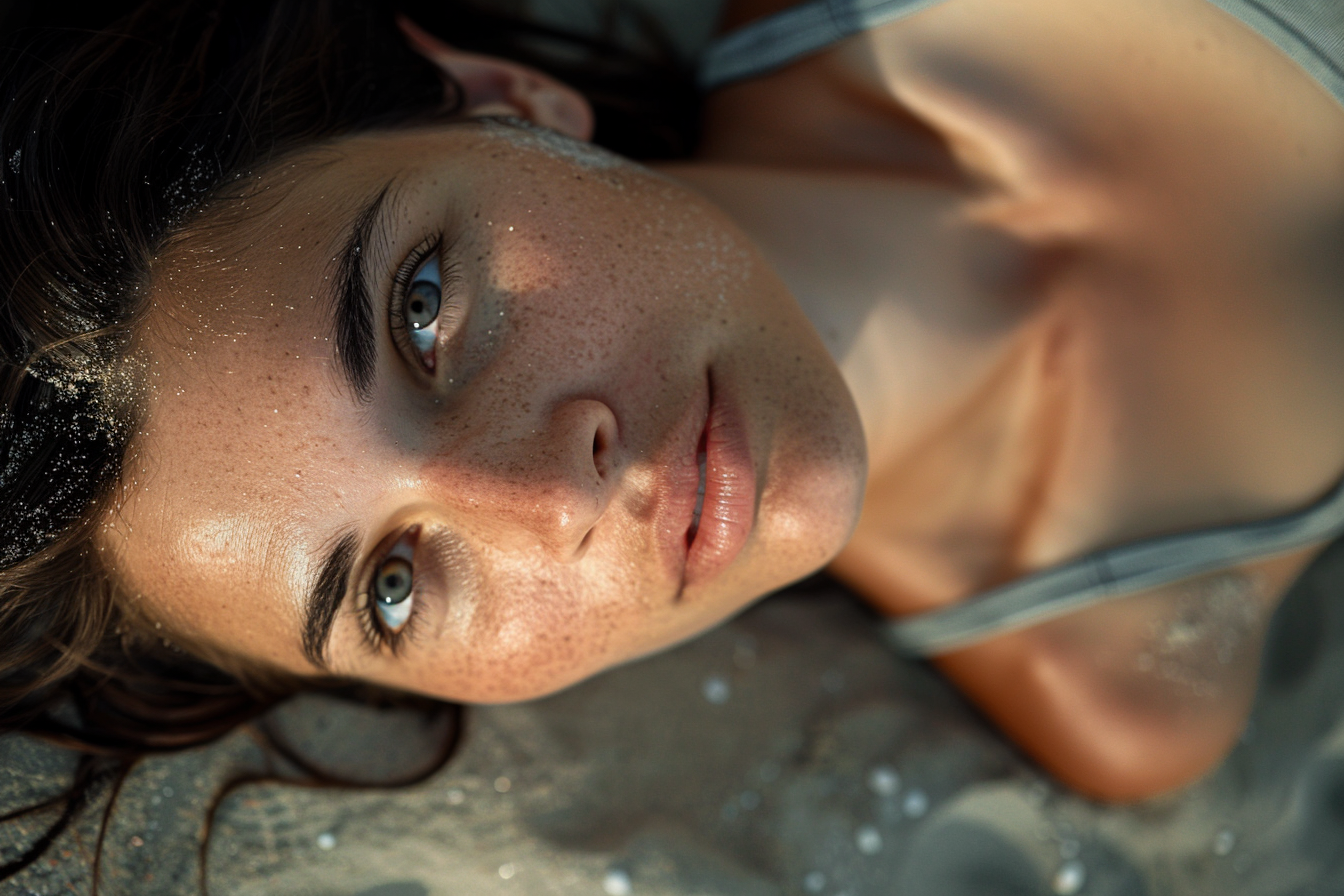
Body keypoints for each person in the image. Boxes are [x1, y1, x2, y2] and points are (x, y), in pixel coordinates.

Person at [3, 2, 1344, 870]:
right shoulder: (1130, 682)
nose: (546, 497)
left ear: (504, 98)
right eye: (394, 585)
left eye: (423, 308)